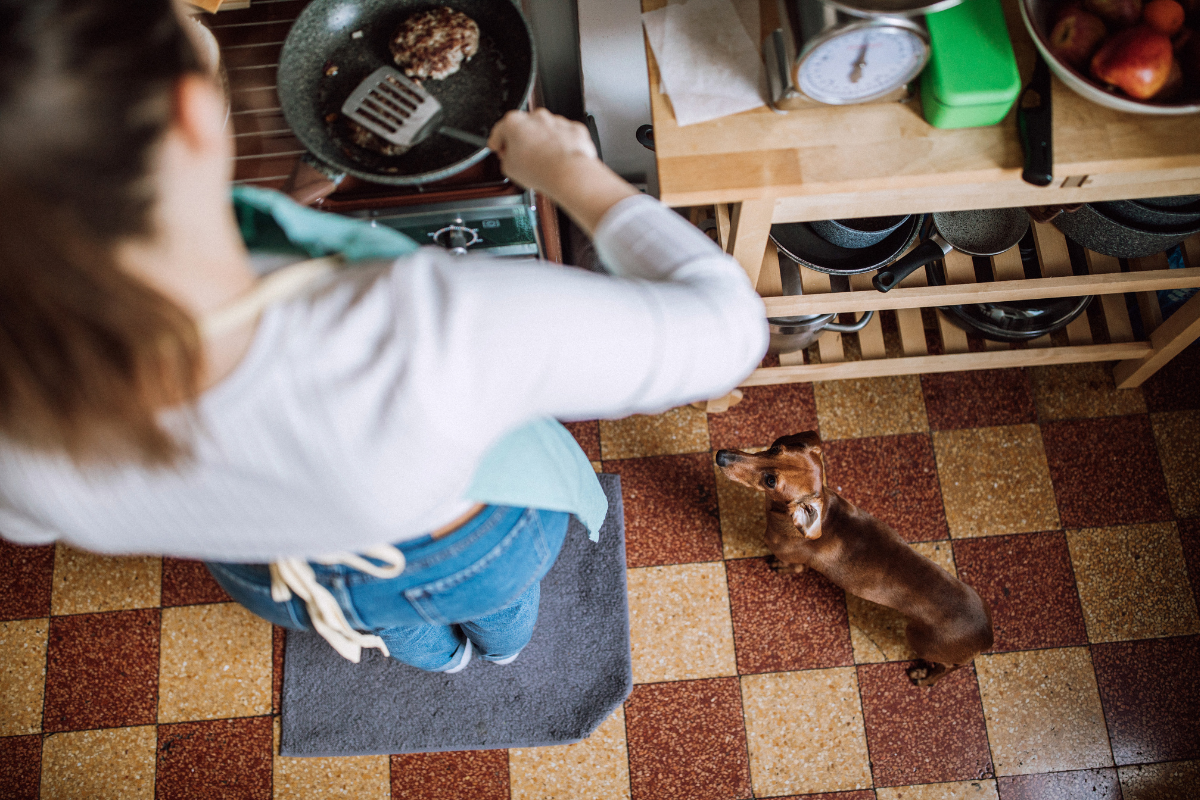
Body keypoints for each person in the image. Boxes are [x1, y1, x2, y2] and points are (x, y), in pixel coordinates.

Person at [0, 0, 767, 673]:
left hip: (276, 575)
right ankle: (500, 651)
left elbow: (27, 522)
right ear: (195, 112)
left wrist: (287, 215)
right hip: (463, 546)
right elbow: (729, 333)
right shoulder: (423, 331)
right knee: (503, 608)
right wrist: (573, 176)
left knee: (394, 626)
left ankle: (443, 664)